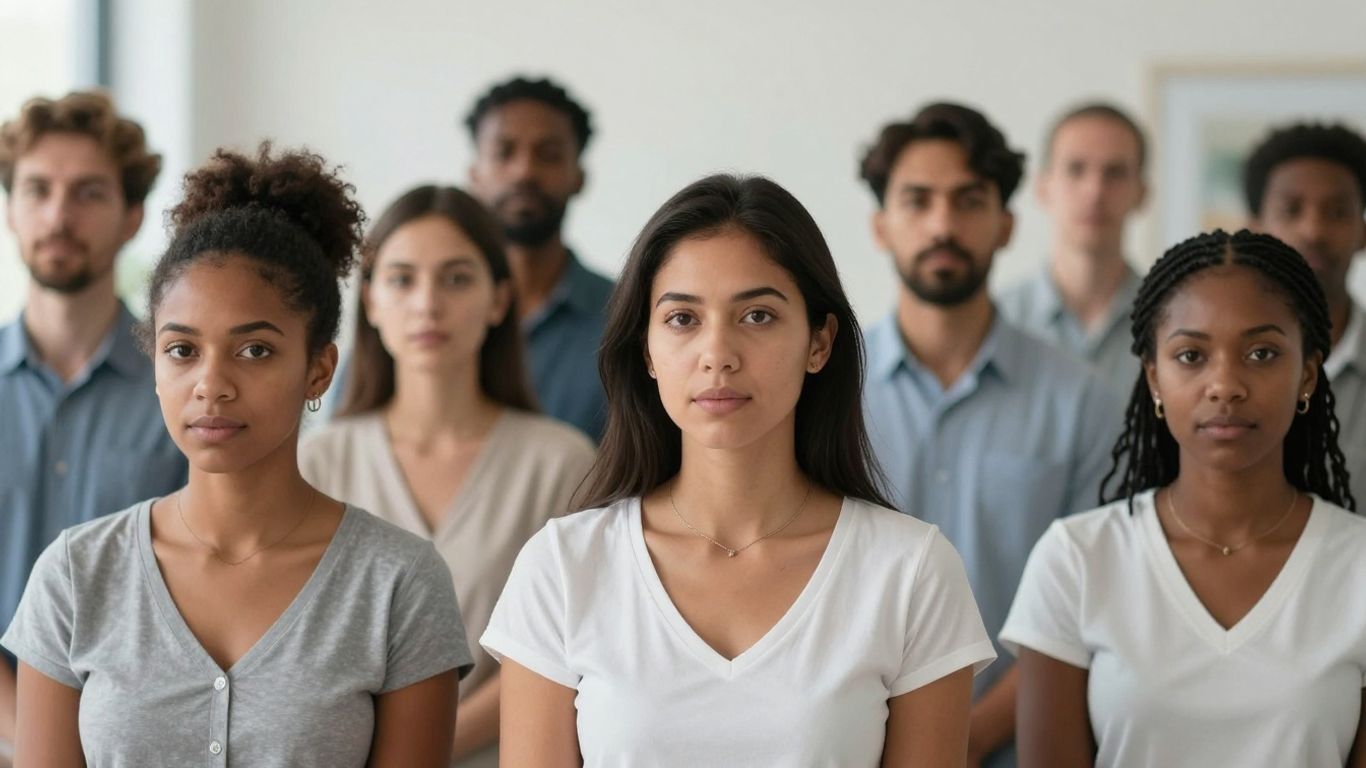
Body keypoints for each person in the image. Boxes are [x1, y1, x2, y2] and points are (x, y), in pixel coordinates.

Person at [481, 174, 995, 766]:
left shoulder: (911, 571)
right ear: (646, 350)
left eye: (757, 315)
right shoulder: (563, 567)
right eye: (682, 318)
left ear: (819, 343)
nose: (718, 355)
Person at [1, 145, 472, 767]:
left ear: (318, 369)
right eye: (182, 350)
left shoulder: (397, 582)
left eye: (255, 351)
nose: (211, 385)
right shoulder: (75, 575)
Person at [1003, 229, 1363, 767]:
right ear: (1154, 378)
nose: (1225, 384)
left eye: (1262, 353)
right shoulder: (1076, 559)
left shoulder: (1358, 566)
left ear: (1307, 374)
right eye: (1191, 355)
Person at [858, 102, 1121, 767]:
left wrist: (967, 737)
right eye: (918, 200)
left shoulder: (1083, 401)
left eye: (969, 201)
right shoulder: (821, 396)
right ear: (881, 226)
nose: (943, 225)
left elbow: (1088, 606)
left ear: (1006, 224)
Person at [300, 184, 595, 767]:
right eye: (402, 279)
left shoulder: (561, 463)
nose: (428, 304)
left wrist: (422, 748)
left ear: (499, 299)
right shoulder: (319, 462)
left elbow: (568, 649)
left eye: (457, 279)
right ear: (371, 301)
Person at [0, 91, 186, 746]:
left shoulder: (185, 395)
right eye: (37, 190)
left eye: (89, 193)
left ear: (133, 216)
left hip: (141, 739)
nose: (59, 215)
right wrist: (30, 739)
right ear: (10, 208)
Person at [465, 75, 614, 440]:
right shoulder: (423, 314)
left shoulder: (626, 317)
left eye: (548, 155)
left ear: (579, 177)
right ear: (474, 175)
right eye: (504, 152)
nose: (525, 171)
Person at [1245, 122, 1366, 507]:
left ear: (1362, 231)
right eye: (1291, 210)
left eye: (1337, 212)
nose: (1313, 230)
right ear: (1255, 228)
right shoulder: (1213, 370)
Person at [997, 102, 1148, 399]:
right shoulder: (998, 322)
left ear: (1142, 193)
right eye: (1076, 169)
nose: (1095, 190)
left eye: (1115, 173)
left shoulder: (1173, 323)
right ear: (1042, 187)